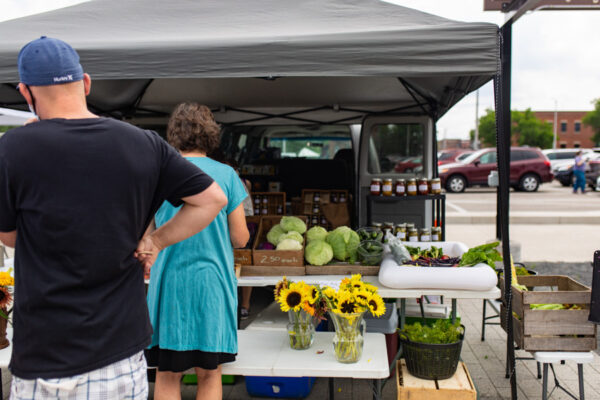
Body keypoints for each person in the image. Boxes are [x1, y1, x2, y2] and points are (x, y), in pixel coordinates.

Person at [0, 37, 227, 399]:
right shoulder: (142, 143)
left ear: (26, 92)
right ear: (86, 83)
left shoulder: (12, 149)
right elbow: (212, 199)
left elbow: (10, 238)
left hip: (46, 353)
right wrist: (155, 240)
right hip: (119, 353)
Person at [145, 103, 250, 400]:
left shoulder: (159, 173)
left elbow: (146, 231)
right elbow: (240, 238)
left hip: (168, 282)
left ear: (173, 134)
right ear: (210, 134)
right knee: (209, 373)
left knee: (167, 374)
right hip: (211, 283)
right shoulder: (228, 175)